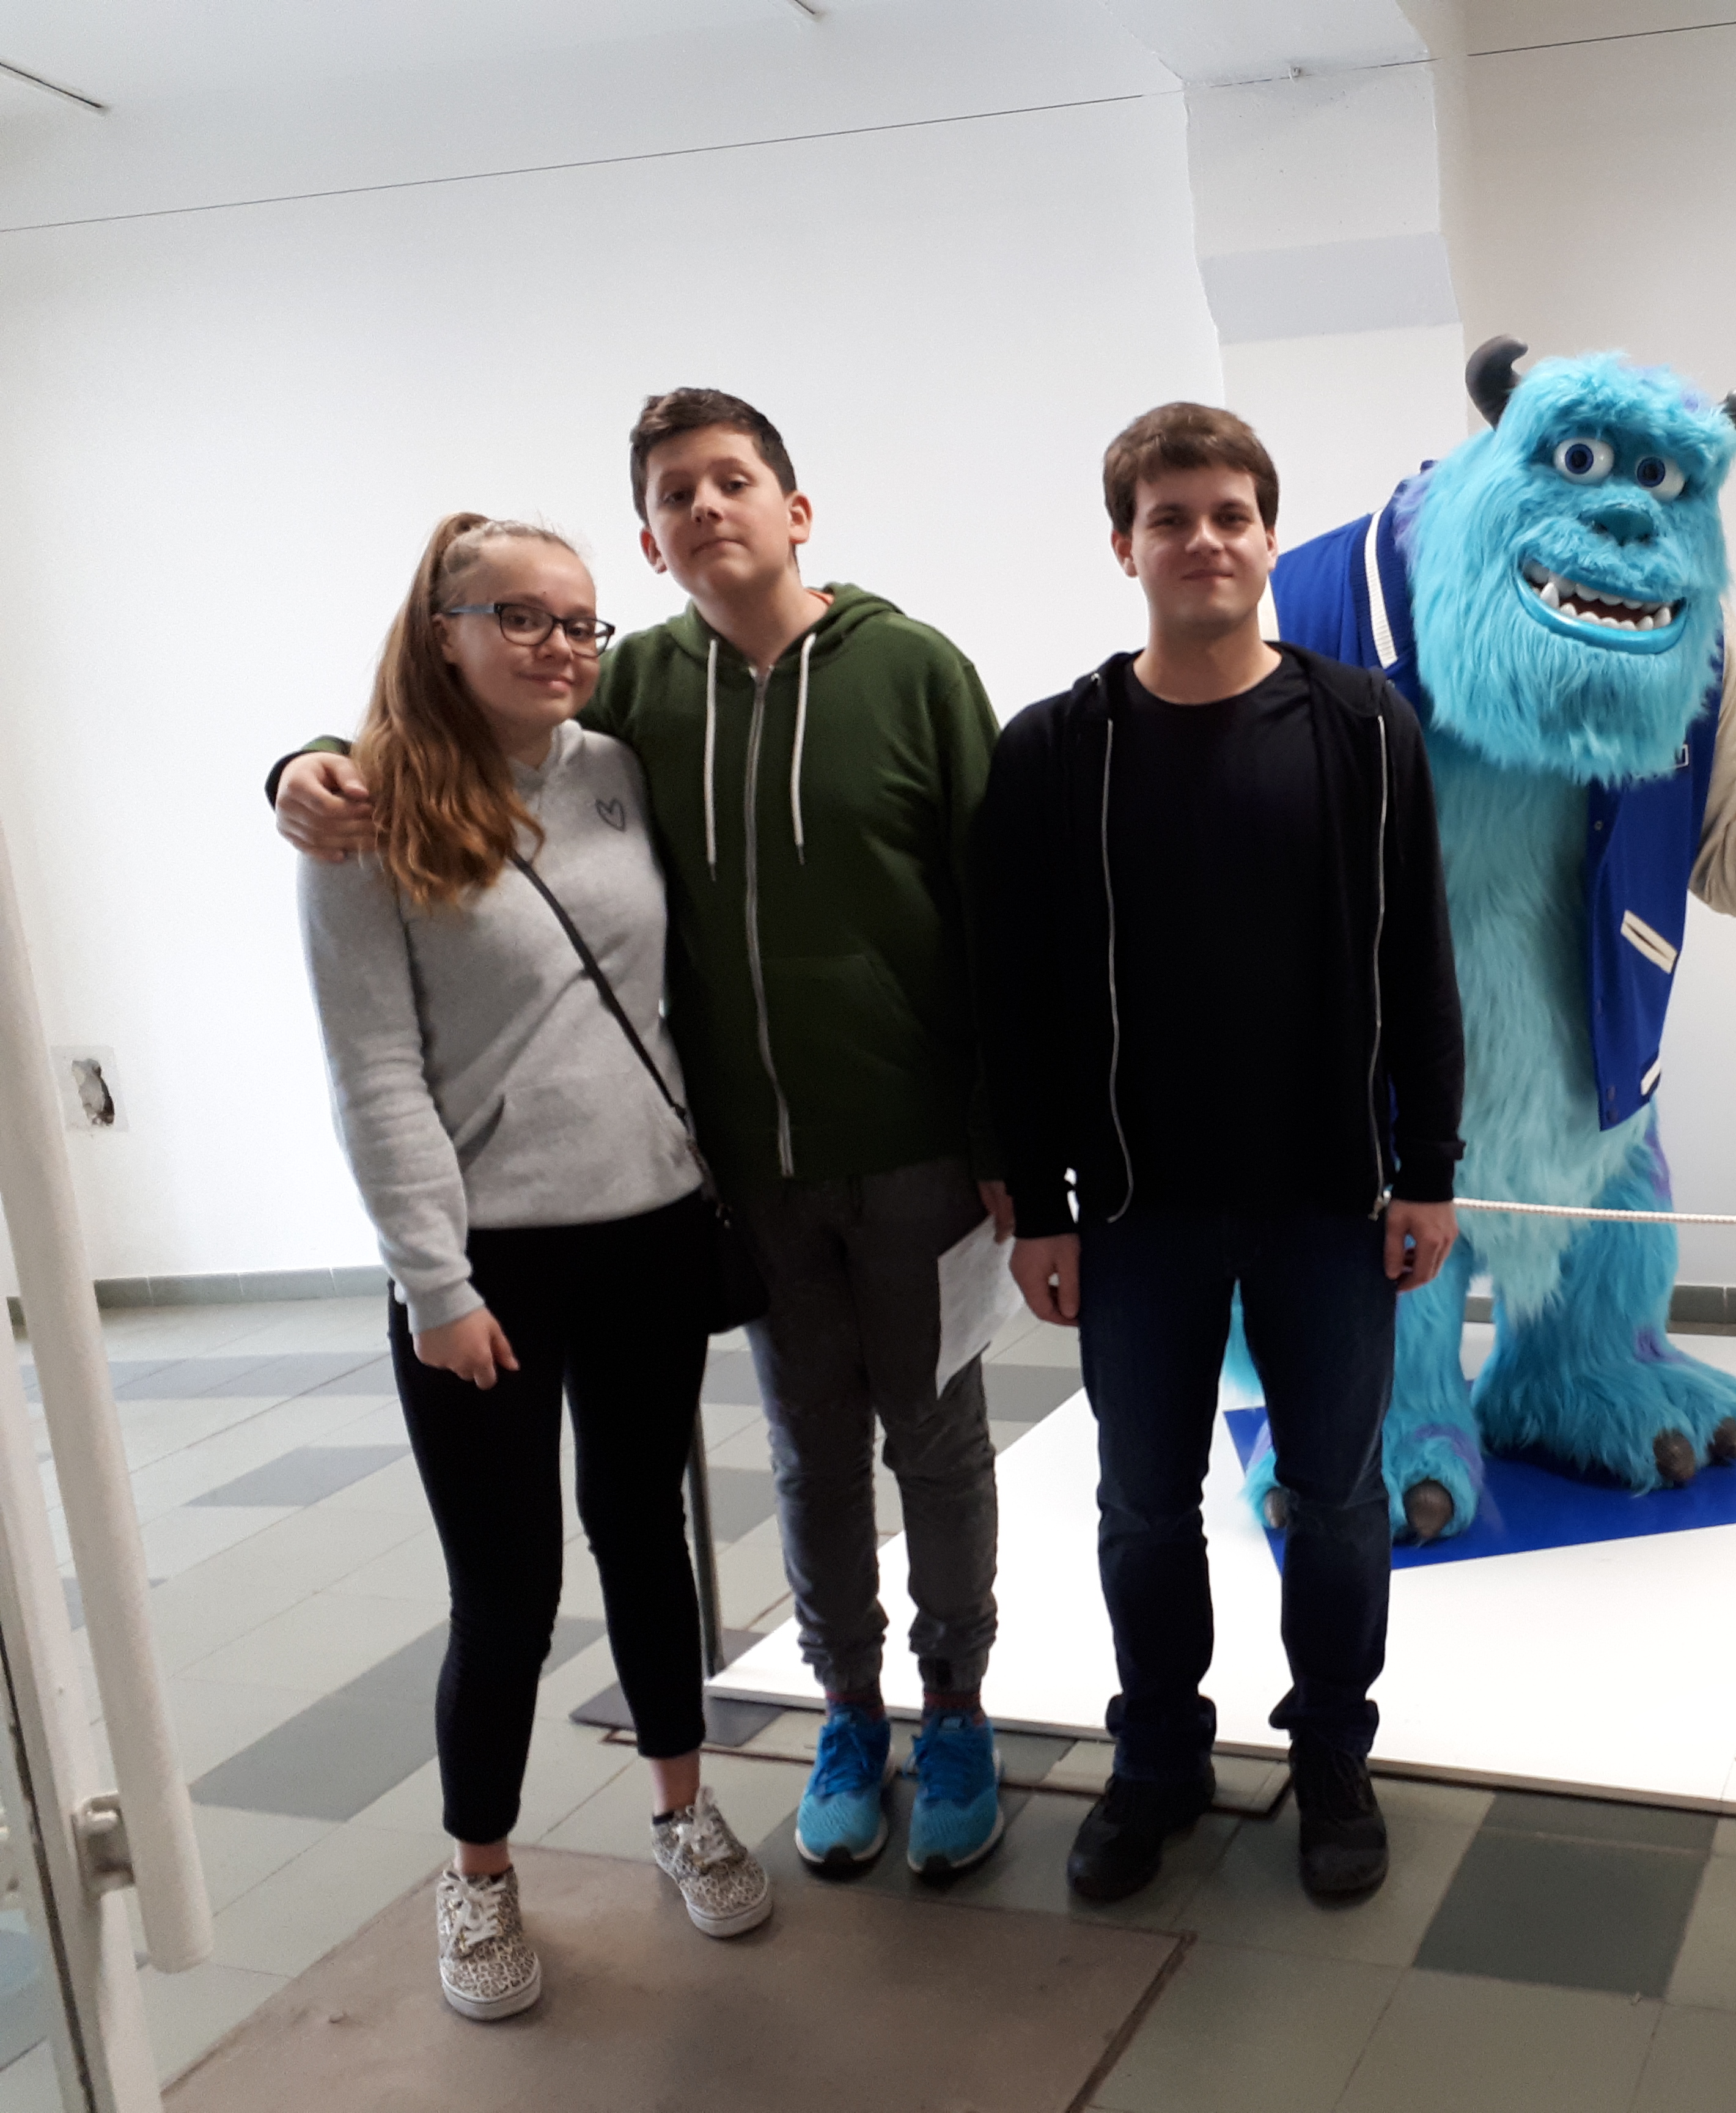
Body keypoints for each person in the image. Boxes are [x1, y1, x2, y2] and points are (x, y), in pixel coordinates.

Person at [274, 393, 1010, 1879]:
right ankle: (848, 1714)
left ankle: (957, 1712)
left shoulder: (909, 671)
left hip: (909, 1161)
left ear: (795, 509)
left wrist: (1013, 1147)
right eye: (676, 492)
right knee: (806, 1455)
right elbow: (454, 741)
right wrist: (300, 762)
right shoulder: (641, 695)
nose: (706, 506)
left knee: (934, 1443)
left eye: (732, 479)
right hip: (745, 1178)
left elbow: (1001, 915)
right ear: (652, 539)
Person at [977, 403, 1463, 1905]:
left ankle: (1332, 1754)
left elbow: (1420, 960)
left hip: (1329, 1198)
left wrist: (1430, 1165)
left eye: (1230, 513)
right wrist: (1038, 1200)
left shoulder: (1364, 728)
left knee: (1338, 1499)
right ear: (1123, 545)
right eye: (1170, 517)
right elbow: (1013, 995)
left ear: (1267, 534)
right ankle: (1157, 1759)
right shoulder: (1057, 749)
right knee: (1143, 1504)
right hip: (1137, 1209)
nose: (1204, 539)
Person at [298, 513, 771, 2022]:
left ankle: (683, 1807)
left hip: (649, 1230)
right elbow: (375, 1072)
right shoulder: (367, 816)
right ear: (444, 631)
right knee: (506, 1587)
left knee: (647, 1535)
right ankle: (481, 1872)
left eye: (581, 620)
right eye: (521, 616)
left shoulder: (614, 769)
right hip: (487, 1265)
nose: (561, 645)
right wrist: (433, 1284)